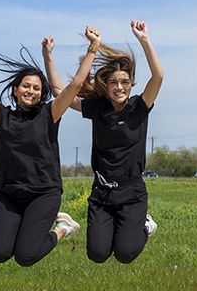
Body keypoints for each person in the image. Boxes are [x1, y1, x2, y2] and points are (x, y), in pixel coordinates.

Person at [0, 22, 101, 266]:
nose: (31, 91)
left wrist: (93, 49)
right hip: (10, 195)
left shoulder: (50, 114)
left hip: (44, 193)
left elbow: (75, 85)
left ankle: (63, 229)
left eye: (36, 88)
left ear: (42, 93)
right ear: (16, 90)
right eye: (26, 86)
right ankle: (32, 229)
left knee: (25, 256)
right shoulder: (0, 116)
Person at [46, 20, 163, 264]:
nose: (119, 87)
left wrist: (144, 40)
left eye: (125, 82)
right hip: (102, 192)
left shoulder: (139, 107)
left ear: (131, 84)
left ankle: (145, 225)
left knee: (125, 254)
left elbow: (158, 76)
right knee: (97, 255)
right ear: (106, 85)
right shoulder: (97, 109)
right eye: (113, 82)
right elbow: (61, 94)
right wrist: (48, 57)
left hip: (132, 193)